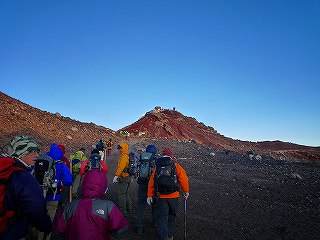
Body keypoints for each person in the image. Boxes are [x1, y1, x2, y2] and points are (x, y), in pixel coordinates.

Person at [0, 136, 52, 239]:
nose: (37, 156)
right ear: (22, 152)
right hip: (11, 231)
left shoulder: (5, 170)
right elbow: (35, 210)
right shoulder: (23, 177)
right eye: (33, 152)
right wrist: (47, 226)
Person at [55, 169, 129, 240]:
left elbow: (60, 228)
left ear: (84, 184)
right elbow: (121, 227)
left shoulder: (71, 206)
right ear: (103, 187)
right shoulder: (108, 206)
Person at [147, 148, 189, 240]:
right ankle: (170, 235)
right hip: (174, 196)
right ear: (171, 156)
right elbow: (183, 179)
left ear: (162, 155)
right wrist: (186, 192)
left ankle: (163, 237)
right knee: (172, 216)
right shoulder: (176, 166)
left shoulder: (157, 167)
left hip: (160, 196)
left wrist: (149, 195)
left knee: (162, 217)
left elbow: (151, 181)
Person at [37, 144, 72, 240]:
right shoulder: (61, 164)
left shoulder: (41, 160)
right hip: (53, 196)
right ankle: (44, 237)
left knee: (37, 215)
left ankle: (34, 233)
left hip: (38, 195)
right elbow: (68, 181)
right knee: (49, 218)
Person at [134, 144, 158, 235]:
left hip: (142, 184)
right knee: (155, 204)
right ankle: (156, 223)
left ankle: (138, 227)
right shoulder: (155, 160)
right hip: (153, 186)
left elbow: (136, 169)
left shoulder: (141, 158)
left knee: (141, 205)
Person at [112, 142, 132, 216]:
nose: (120, 150)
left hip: (124, 178)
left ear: (124, 148)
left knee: (122, 194)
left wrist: (116, 176)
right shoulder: (127, 156)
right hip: (128, 177)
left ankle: (123, 211)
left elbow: (121, 168)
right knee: (126, 193)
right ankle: (129, 208)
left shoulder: (124, 157)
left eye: (121, 148)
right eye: (119, 148)